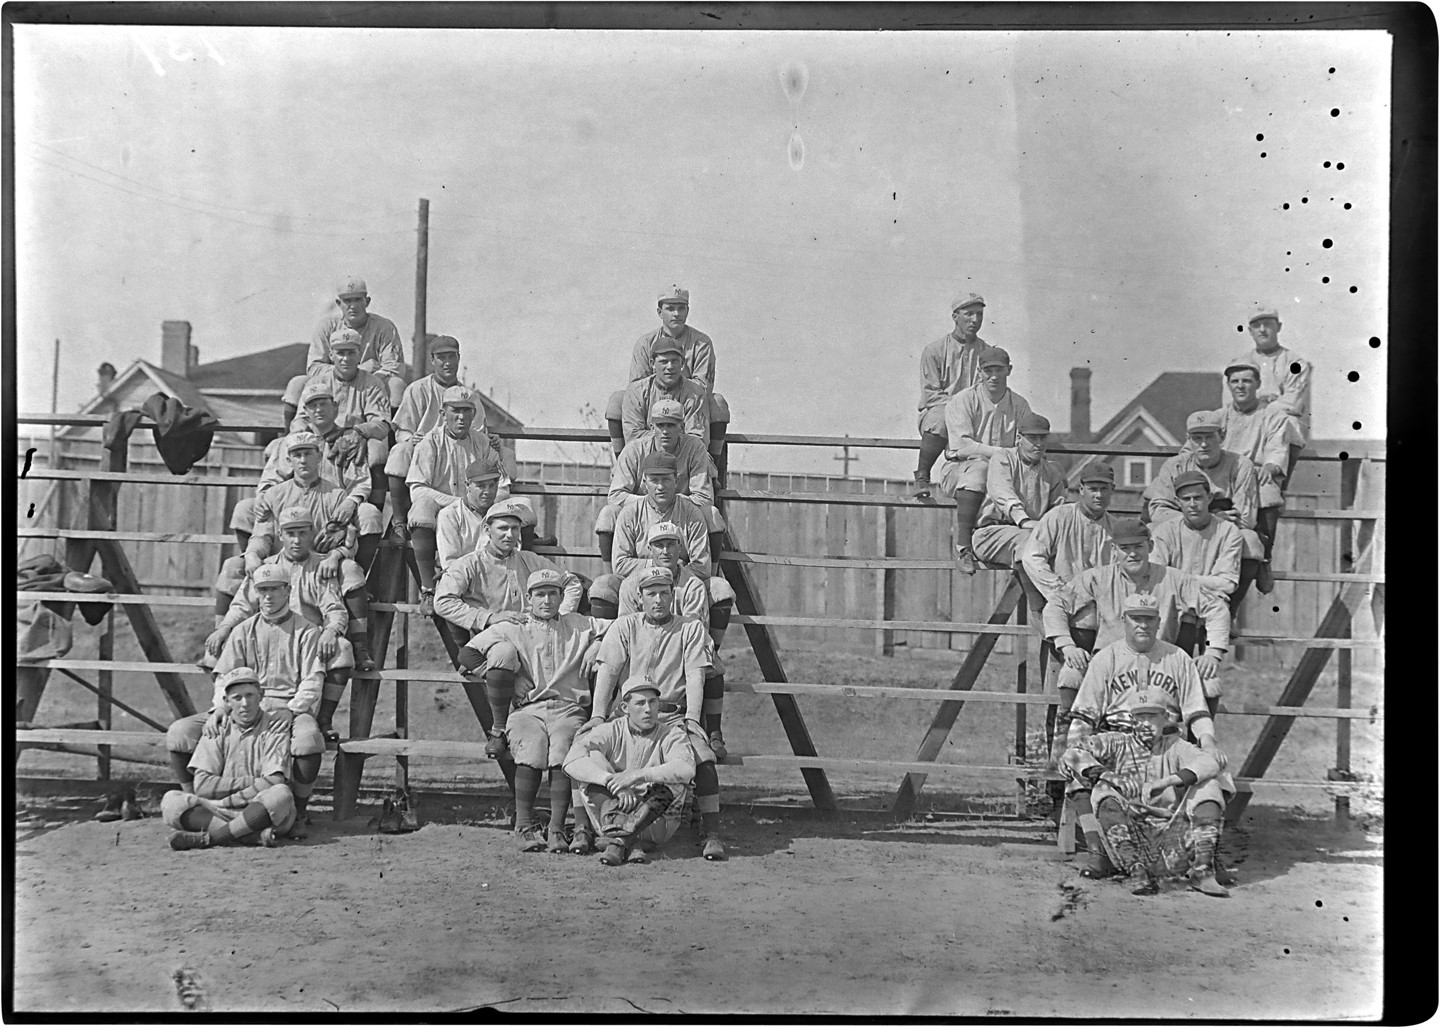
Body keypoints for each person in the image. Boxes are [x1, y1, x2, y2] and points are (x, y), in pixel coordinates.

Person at [1060, 594, 1226, 880]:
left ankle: (1206, 855)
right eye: (1136, 618)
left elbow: (1196, 711)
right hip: (1117, 741)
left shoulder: (1178, 658)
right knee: (1078, 769)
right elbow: (1084, 713)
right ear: (1124, 621)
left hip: (1167, 743)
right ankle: (1098, 851)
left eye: (1149, 619)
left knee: (1214, 774)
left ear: (1159, 622)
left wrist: (1208, 741)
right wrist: (1075, 747)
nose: (1142, 625)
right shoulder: (1106, 659)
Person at [456, 569, 611, 853]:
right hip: (528, 708)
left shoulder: (577, 623)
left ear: (562, 597)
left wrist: (597, 645)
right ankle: (524, 825)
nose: (547, 601)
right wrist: (502, 677)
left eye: (553, 594)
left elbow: (619, 627)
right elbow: (467, 654)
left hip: (568, 708)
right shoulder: (516, 625)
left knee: (564, 746)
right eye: (540, 594)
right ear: (529, 598)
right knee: (532, 743)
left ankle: (556, 829)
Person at [166, 564, 327, 830]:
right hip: (243, 702)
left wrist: (292, 709)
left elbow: (313, 679)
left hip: (289, 707)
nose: (268, 596)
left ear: (288, 590)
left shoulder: (307, 630)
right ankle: (193, 796)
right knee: (179, 732)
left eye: (274, 589)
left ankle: (298, 810)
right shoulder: (243, 630)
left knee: (308, 740)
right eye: (262, 590)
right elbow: (224, 677)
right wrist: (219, 707)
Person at [585, 566, 726, 861]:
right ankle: (593, 830)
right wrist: (598, 715)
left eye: (664, 593)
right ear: (640, 597)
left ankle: (710, 834)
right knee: (590, 751)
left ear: (673, 595)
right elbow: (608, 672)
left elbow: (696, 676)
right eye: (651, 593)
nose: (659, 600)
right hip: (631, 717)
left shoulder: (690, 628)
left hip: (672, 716)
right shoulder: (625, 627)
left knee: (704, 760)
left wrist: (691, 719)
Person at [1041, 518, 1230, 736]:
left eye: (1138, 547)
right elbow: (1056, 605)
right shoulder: (1098, 577)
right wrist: (1067, 646)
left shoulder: (1174, 579)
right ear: (1114, 550)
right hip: (1111, 662)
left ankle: (1195, 749)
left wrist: (1213, 653)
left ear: (1150, 547)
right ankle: (1070, 749)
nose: (1132, 554)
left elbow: (1216, 608)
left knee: (1210, 681)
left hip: (1160, 662)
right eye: (1125, 548)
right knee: (1071, 674)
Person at [217, 432, 380, 666]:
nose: (303, 460)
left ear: (318, 457)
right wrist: (253, 555)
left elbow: (348, 541)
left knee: (352, 569)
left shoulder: (336, 495)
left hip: (321, 564)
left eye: (308, 454)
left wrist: (335, 556)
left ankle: (360, 647)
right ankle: (220, 640)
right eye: (297, 455)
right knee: (233, 566)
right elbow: (262, 534)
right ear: (289, 460)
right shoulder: (274, 494)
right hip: (282, 560)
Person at [207, 507, 369, 740]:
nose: (296, 540)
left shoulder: (320, 567)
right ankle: (229, 714)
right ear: (280, 535)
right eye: (290, 533)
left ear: (312, 533)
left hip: (306, 639)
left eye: (302, 533)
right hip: (265, 633)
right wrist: (224, 628)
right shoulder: (267, 567)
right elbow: (242, 604)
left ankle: (322, 719)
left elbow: (334, 609)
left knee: (342, 648)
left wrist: (331, 631)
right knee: (219, 649)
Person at [433, 498, 583, 749]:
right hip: (495, 640)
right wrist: (487, 617)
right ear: (487, 530)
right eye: (502, 528)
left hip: (536, 637)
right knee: (504, 654)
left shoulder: (529, 560)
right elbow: (443, 601)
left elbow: (571, 583)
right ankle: (499, 730)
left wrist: (560, 617)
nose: (509, 535)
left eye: (514, 529)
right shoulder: (471, 563)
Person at [1061, 687, 1233, 897]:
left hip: (1173, 841)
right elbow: (1073, 752)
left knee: (1210, 785)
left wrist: (1165, 782)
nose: (1144, 724)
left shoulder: (1175, 746)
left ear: (1165, 718)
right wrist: (1109, 775)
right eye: (1139, 717)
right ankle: (1137, 873)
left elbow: (1210, 762)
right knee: (1103, 789)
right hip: (1129, 841)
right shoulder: (1118, 742)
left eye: (1151, 717)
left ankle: (1203, 871)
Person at [611, 522, 732, 758]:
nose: (665, 551)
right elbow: (625, 628)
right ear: (650, 549)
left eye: (670, 545)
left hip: (682, 643)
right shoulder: (632, 584)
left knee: (713, 667)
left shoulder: (693, 585)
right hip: (643, 644)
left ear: (680, 548)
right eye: (659, 545)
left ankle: (711, 729)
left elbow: (694, 628)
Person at [562, 674, 698, 866]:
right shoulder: (611, 729)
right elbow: (571, 760)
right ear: (625, 708)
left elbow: (686, 768)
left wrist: (636, 776)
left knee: (675, 781)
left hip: (654, 822)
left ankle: (618, 843)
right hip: (612, 816)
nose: (648, 710)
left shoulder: (671, 734)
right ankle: (630, 842)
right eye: (640, 703)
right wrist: (613, 782)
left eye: (653, 702)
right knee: (591, 757)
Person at [161, 668, 298, 850]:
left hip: (260, 809)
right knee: (171, 802)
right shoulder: (216, 728)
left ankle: (210, 839)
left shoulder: (274, 726)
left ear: (261, 695)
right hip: (219, 811)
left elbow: (274, 781)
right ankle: (248, 835)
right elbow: (202, 786)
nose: (245, 704)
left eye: (250, 695)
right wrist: (253, 782)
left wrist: (227, 794)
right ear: (226, 701)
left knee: (280, 794)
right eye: (237, 698)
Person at [608, 284, 731, 485]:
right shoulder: (645, 342)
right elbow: (636, 384)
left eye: (681, 308)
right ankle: (623, 463)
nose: (676, 313)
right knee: (617, 400)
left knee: (718, 403)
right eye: (670, 308)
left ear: (688, 311)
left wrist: (674, 396)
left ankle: (709, 465)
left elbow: (702, 386)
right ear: (659, 311)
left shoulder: (701, 343)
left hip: (687, 407)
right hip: (652, 412)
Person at [1143, 410, 1264, 605]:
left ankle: (1229, 610)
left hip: (1220, 532)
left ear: (1222, 436)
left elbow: (1246, 517)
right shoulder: (1175, 465)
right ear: (1188, 439)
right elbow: (1157, 510)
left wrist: (1213, 522)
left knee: (1250, 540)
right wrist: (1200, 518)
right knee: (1149, 536)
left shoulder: (1240, 465)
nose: (1204, 444)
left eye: (1209, 437)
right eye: (1197, 438)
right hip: (1180, 528)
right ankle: (1157, 604)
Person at [407, 386, 511, 603]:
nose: (461, 416)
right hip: (442, 509)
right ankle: (428, 588)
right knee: (421, 509)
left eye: (467, 410)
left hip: (478, 511)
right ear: (443, 414)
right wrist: (457, 503)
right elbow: (418, 489)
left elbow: (502, 486)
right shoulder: (430, 441)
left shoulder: (482, 442)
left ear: (474, 414)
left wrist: (480, 502)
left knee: (516, 508)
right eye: (456, 410)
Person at [936, 345, 1034, 574]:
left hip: (1004, 472)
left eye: (999, 370)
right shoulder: (964, 400)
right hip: (959, 471)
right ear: (979, 372)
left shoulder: (1019, 405)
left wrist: (1005, 459)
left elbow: (1027, 445)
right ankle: (963, 546)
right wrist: (1002, 454)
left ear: (1009, 370)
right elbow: (962, 446)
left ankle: (1002, 539)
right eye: (987, 370)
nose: (993, 376)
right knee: (981, 469)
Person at [1216, 357, 1298, 594]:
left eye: (1247, 381)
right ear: (1229, 385)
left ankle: (1265, 559)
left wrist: (1269, 468)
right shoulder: (1220, 417)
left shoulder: (1273, 415)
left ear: (1258, 383)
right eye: (1235, 381)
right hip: (1223, 476)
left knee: (1269, 491)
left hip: (1255, 476)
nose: (1240, 386)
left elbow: (1277, 448)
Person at [970, 411, 1064, 608]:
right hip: (991, 534)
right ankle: (1045, 607)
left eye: (1042, 437)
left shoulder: (1052, 472)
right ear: (1019, 439)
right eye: (1032, 438)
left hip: (1033, 536)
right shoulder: (1003, 458)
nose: (1038, 443)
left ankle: (1058, 611)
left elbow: (1058, 512)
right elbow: (1002, 493)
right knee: (1031, 544)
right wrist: (1024, 521)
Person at [599, 398, 715, 549]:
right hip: (641, 515)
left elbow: (704, 498)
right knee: (608, 514)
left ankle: (709, 571)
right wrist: (650, 503)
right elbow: (615, 495)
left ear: (682, 426)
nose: (665, 431)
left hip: (681, 516)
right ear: (652, 426)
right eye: (661, 425)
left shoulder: (695, 448)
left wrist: (671, 502)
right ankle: (612, 572)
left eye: (671, 425)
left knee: (712, 514)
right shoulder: (635, 449)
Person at [285, 275, 407, 414]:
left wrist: (364, 376)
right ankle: (291, 434)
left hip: (370, 384)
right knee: (297, 384)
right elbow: (314, 367)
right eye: (347, 301)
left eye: (358, 300)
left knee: (396, 385)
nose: (353, 306)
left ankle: (391, 435)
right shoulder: (327, 325)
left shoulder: (384, 326)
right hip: (332, 383)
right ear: (339, 303)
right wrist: (354, 370)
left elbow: (395, 368)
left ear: (367, 301)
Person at [384, 333, 465, 538]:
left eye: (451, 357)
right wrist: (409, 439)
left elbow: (478, 431)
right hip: (423, 454)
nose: (447, 363)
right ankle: (399, 520)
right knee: (400, 450)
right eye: (441, 357)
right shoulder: (418, 388)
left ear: (458, 358)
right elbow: (401, 429)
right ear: (432, 360)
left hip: (455, 454)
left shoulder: (466, 394)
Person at [1149, 471, 1246, 637]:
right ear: (1178, 502)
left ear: (1209, 498)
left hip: (1210, 600)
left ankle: (1208, 659)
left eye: (1198, 498)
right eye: (1186, 499)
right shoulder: (1165, 531)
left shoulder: (1228, 531)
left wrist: (1179, 580)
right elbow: (1156, 577)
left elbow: (1227, 584)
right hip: (1173, 601)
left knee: (1215, 609)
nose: (1192, 504)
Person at [913, 291, 989, 499]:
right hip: (940, 414)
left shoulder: (986, 353)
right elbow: (931, 395)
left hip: (975, 414)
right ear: (955, 316)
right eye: (969, 314)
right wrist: (960, 406)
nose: (975, 320)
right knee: (940, 418)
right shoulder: (935, 350)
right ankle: (922, 475)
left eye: (979, 315)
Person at [604, 453, 720, 583]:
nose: (660, 486)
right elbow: (620, 565)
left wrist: (675, 574)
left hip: (682, 584)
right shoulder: (630, 513)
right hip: (640, 584)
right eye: (654, 480)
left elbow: (702, 567)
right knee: (603, 586)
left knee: (720, 588)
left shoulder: (691, 513)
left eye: (666, 479)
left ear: (676, 480)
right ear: (645, 482)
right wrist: (657, 566)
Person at [1229, 302, 1312, 457]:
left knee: (1288, 423)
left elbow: (1292, 403)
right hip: (1246, 425)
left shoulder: (1295, 362)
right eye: (1256, 325)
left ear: (1278, 327)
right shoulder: (1239, 363)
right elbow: (1229, 402)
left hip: (1279, 427)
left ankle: (1274, 478)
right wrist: (1264, 401)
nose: (1262, 329)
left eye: (1267, 324)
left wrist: (1256, 404)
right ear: (1250, 331)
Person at [619, 336, 711, 453]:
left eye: (674, 361)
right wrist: (673, 435)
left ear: (682, 363)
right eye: (664, 362)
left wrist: (663, 436)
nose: (670, 367)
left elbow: (698, 439)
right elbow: (633, 435)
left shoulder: (695, 393)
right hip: (646, 456)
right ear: (652, 363)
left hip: (684, 458)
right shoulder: (636, 391)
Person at [434, 454, 506, 571]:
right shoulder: (449, 515)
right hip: (459, 579)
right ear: (468, 485)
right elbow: (450, 563)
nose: (487, 491)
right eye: (481, 486)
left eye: (492, 485)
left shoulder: (503, 515)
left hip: (495, 578)